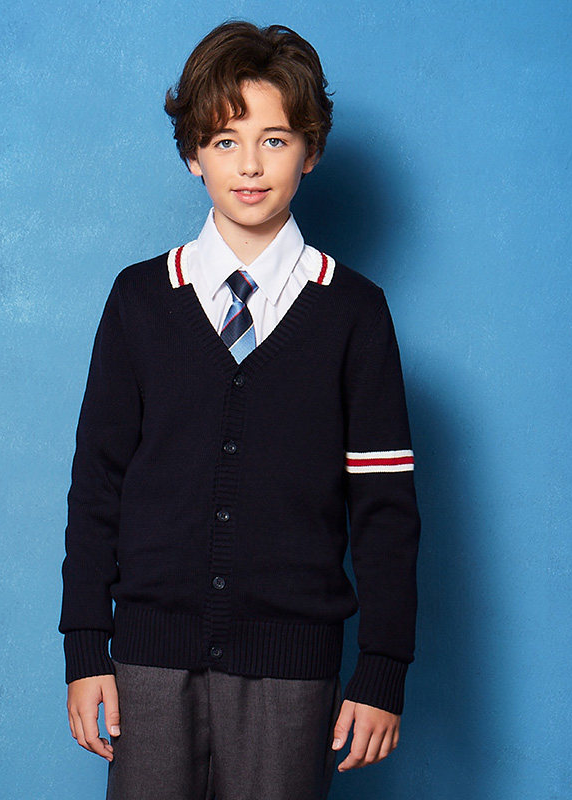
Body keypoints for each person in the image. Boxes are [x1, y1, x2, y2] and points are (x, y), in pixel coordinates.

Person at [59, 19, 421, 800]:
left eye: (275, 139)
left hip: (292, 667)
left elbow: (386, 509)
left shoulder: (354, 312)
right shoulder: (139, 300)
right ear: (193, 155)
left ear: (310, 151)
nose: (250, 165)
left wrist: (383, 669)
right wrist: (86, 648)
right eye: (225, 141)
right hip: (147, 662)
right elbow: (97, 487)